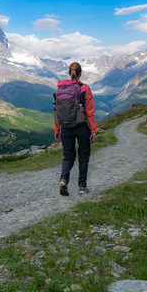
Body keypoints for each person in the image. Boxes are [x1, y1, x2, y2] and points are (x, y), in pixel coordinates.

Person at [54, 62, 97, 196]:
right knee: (83, 156)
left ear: (68, 73)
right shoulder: (84, 88)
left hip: (65, 127)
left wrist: (57, 130)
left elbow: (56, 111)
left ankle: (63, 180)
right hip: (81, 127)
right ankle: (82, 187)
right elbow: (89, 112)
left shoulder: (60, 88)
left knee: (68, 157)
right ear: (81, 73)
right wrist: (93, 130)